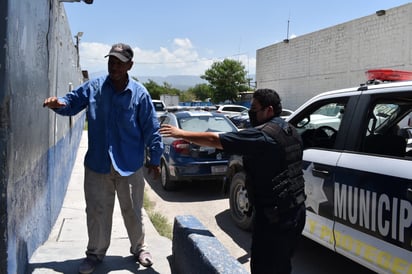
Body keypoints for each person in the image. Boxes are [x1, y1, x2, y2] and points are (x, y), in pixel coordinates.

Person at [43, 43, 164, 274]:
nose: (114, 66)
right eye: (111, 61)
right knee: (97, 211)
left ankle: (139, 249)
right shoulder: (94, 87)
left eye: (119, 62)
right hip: (98, 164)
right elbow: (72, 101)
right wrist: (59, 104)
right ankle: (95, 254)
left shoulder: (140, 94)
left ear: (130, 65)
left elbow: (152, 129)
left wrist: (155, 159)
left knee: (133, 210)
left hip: (129, 165)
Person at [160, 89, 306, 274]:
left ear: (269, 110)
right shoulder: (290, 130)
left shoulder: (263, 136)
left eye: (254, 108)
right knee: (282, 265)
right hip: (296, 211)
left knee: (264, 267)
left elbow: (215, 139)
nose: (250, 112)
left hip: (275, 219)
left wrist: (181, 133)